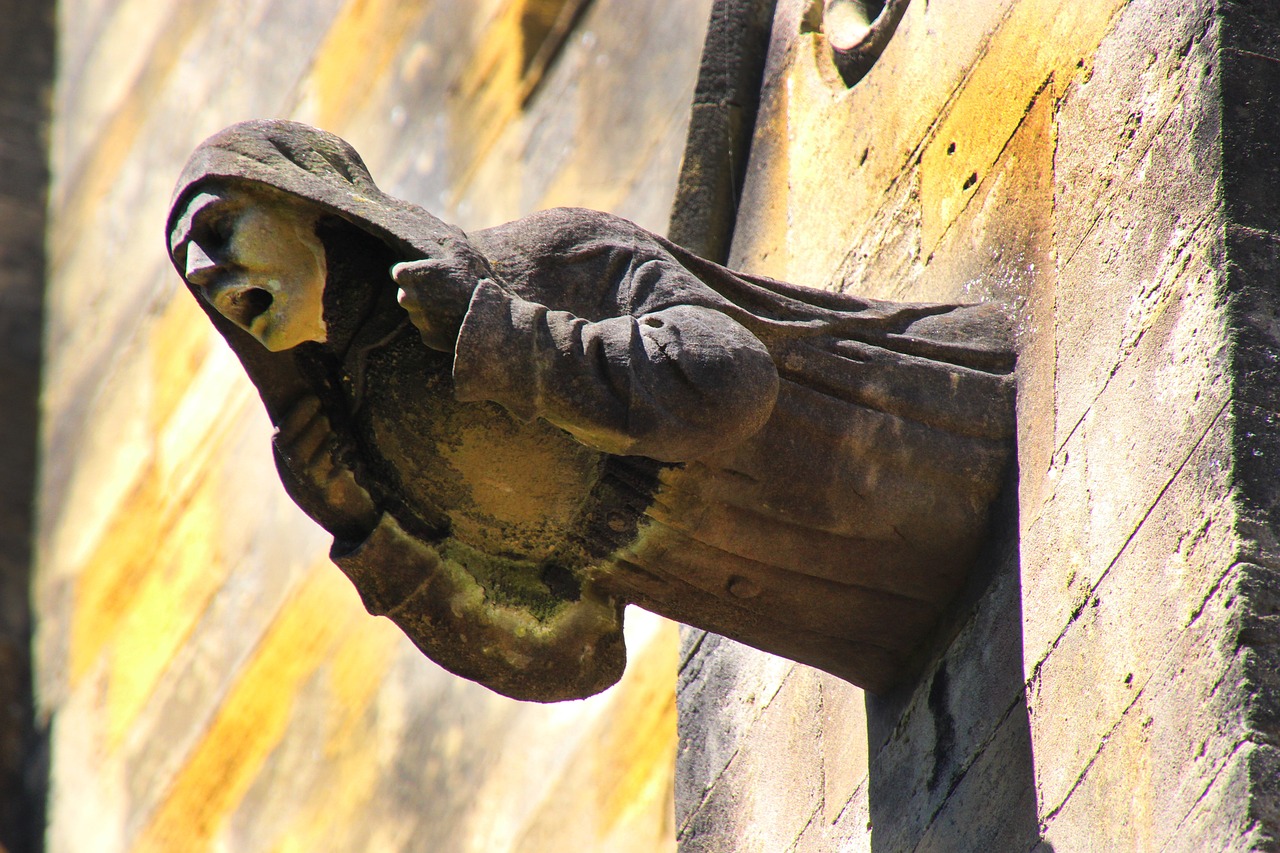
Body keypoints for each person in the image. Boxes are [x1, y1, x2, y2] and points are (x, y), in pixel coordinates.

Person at [167, 120, 1015, 701]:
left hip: (956, 450)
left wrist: (510, 340)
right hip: (872, 631)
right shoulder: (374, 459)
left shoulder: (545, 259)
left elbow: (729, 380)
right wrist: (376, 542)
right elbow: (570, 657)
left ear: (306, 197)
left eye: (218, 227)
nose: (204, 270)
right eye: (189, 272)